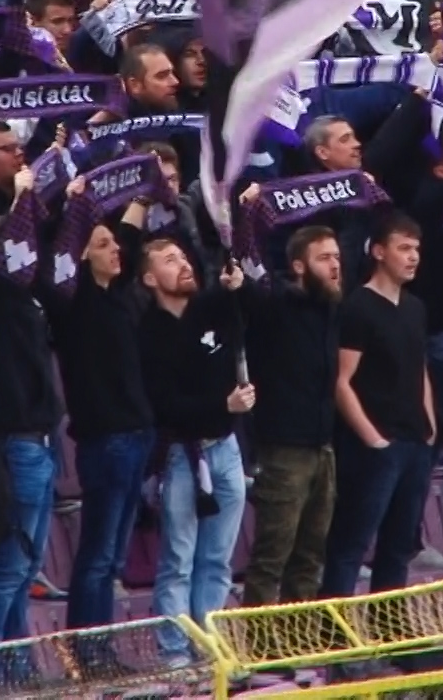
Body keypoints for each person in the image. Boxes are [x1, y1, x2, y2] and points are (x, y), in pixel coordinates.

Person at [0, 207, 65, 643]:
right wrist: (22, 199)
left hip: (41, 441)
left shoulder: (25, 297)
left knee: (27, 565)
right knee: (10, 565)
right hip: (16, 444)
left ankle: (16, 661)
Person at [140, 240, 252, 658]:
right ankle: (174, 656)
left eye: (183, 257)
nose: (183, 264)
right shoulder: (148, 333)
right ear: (149, 278)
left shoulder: (210, 309)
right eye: (170, 261)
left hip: (227, 448)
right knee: (178, 562)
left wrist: (236, 287)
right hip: (181, 456)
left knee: (218, 561)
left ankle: (209, 652)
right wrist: (223, 405)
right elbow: (164, 404)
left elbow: (245, 313)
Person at [44, 210, 152, 629]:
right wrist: (73, 208)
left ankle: (100, 647)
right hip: (106, 442)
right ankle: (84, 648)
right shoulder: (75, 302)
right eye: (104, 245)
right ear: (81, 256)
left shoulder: (118, 295)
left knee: (114, 560)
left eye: (114, 243)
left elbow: (131, 234)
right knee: (98, 556)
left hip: (137, 436)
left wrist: (142, 193)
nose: (116, 250)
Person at [319, 215, 436, 599]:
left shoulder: (416, 307)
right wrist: (372, 439)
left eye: (416, 249)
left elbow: (420, 368)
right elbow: (342, 381)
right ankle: (335, 631)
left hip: (415, 441)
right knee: (350, 545)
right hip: (375, 447)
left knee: (398, 548)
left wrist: (429, 426)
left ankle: (390, 629)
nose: (413, 256)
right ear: (379, 251)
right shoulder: (358, 307)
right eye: (404, 248)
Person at [238, 226, 342, 606]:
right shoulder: (274, 304)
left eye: (337, 257)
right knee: (272, 556)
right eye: (324, 258)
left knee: (310, 557)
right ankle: (261, 636)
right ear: (298, 266)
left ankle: (299, 634)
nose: (335, 265)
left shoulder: (329, 307)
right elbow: (251, 286)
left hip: (323, 447)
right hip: (283, 450)